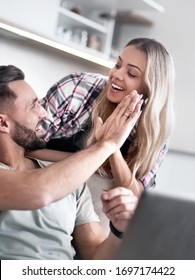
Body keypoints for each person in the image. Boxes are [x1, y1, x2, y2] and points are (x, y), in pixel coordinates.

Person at [0, 64, 141, 260]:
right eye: (33, 106)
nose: (44, 113)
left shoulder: (71, 182)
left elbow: (95, 256)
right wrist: (106, 145)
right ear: (3, 123)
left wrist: (119, 230)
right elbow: (39, 192)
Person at [35, 37, 175, 197]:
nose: (116, 74)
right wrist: (98, 161)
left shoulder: (156, 128)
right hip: (43, 180)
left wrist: (111, 147)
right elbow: (24, 149)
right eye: (118, 65)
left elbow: (137, 195)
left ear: (151, 88)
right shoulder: (78, 87)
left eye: (131, 73)